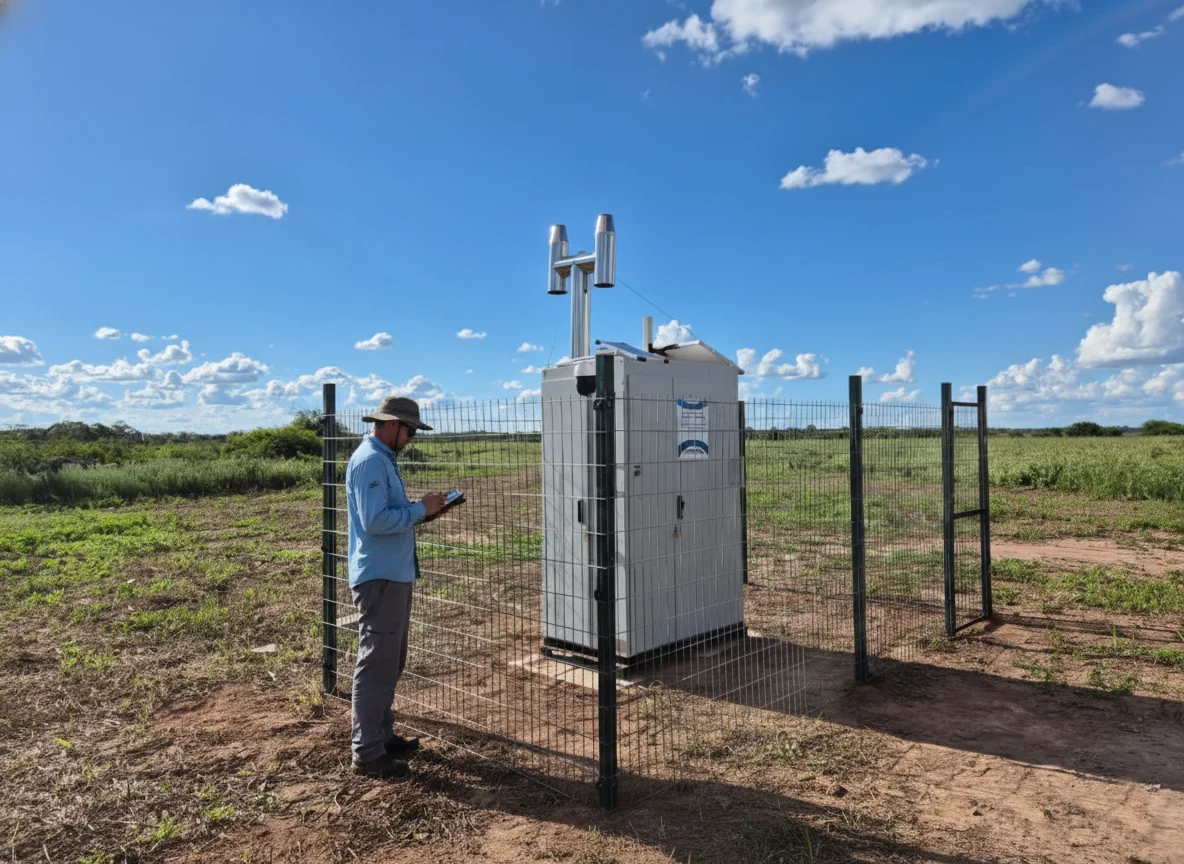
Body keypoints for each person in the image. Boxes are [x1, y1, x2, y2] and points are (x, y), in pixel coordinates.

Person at [346, 396, 447, 779]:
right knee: (376, 665)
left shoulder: (382, 459)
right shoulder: (371, 460)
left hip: (393, 575)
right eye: (410, 430)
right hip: (381, 577)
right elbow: (375, 520)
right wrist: (420, 509)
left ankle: (381, 738)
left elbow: (388, 515)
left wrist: (425, 512)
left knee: (390, 662)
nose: (412, 438)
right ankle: (368, 753)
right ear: (391, 425)